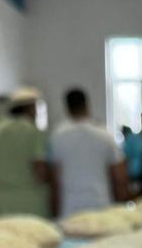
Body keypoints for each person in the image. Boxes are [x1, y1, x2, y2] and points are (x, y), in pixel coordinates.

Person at [49, 88, 128, 217]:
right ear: (87, 105)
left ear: (67, 108)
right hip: (100, 205)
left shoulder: (57, 137)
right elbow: (119, 178)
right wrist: (121, 209)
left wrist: (54, 213)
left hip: (69, 209)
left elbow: (55, 182)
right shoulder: (104, 135)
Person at [0, 88, 51, 217]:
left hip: (4, 201)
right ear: (29, 108)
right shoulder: (34, 132)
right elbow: (39, 169)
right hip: (31, 201)